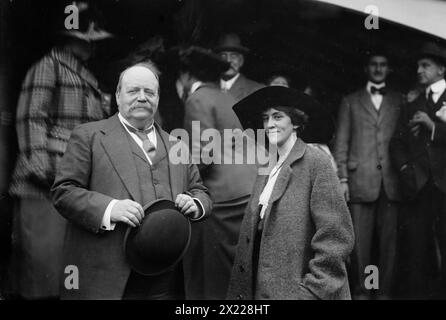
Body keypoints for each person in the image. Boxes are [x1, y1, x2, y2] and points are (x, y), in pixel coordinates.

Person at [51, 62, 212, 299]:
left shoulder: (177, 144)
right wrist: (110, 208)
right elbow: (63, 192)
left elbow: (200, 191)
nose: (142, 98)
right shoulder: (89, 136)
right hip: (109, 278)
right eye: (133, 91)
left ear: (157, 98)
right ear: (117, 96)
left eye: (149, 92)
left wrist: (195, 204)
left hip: (164, 278)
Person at [6, 5, 112, 299]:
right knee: (43, 261)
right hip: (45, 183)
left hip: (72, 181)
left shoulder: (84, 76)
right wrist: (43, 170)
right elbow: (31, 119)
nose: (93, 46)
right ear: (72, 39)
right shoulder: (48, 66)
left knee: (66, 264)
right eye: (88, 39)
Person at [227, 86, 354, 300]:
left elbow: (336, 238)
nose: (269, 124)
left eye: (277, 117)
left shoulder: (316, 163)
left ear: (295, 122)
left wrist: (310, 292)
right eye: (265, 118)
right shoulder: (267, 167)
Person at [175, 46, 258, 299]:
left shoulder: (197, 98)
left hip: (220, 198)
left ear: (186, 77)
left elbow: (202, 155)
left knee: (209, 272)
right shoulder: (228, 98)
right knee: (233, 271)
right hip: (245, 190)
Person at [334, 51, 403, 299]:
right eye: (374, 65)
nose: (378, 69)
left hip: (391, 182)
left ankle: (383, 293)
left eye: (383, 65)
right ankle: (363, 292)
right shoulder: (351, 100)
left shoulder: (399, 100)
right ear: (367, 69)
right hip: (359, 179)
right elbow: (341, 142)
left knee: (389, 245)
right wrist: (342, 178)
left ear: (389, 69)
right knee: (360, 243)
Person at [390, 41, 446, 299]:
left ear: (441, 70)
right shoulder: (413, 101)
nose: (419, 70)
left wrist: (432, 125)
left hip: (444, 186)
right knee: (415, 250)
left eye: (426, 65)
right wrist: (404, 169)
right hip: (417, 187)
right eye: (418, 66)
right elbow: (397, 141)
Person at [214, 33, 264, 103]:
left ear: (241, 61)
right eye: (223, 56)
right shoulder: (206, 89)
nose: (228, 60)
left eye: (233, 56)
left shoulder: (257, 90)